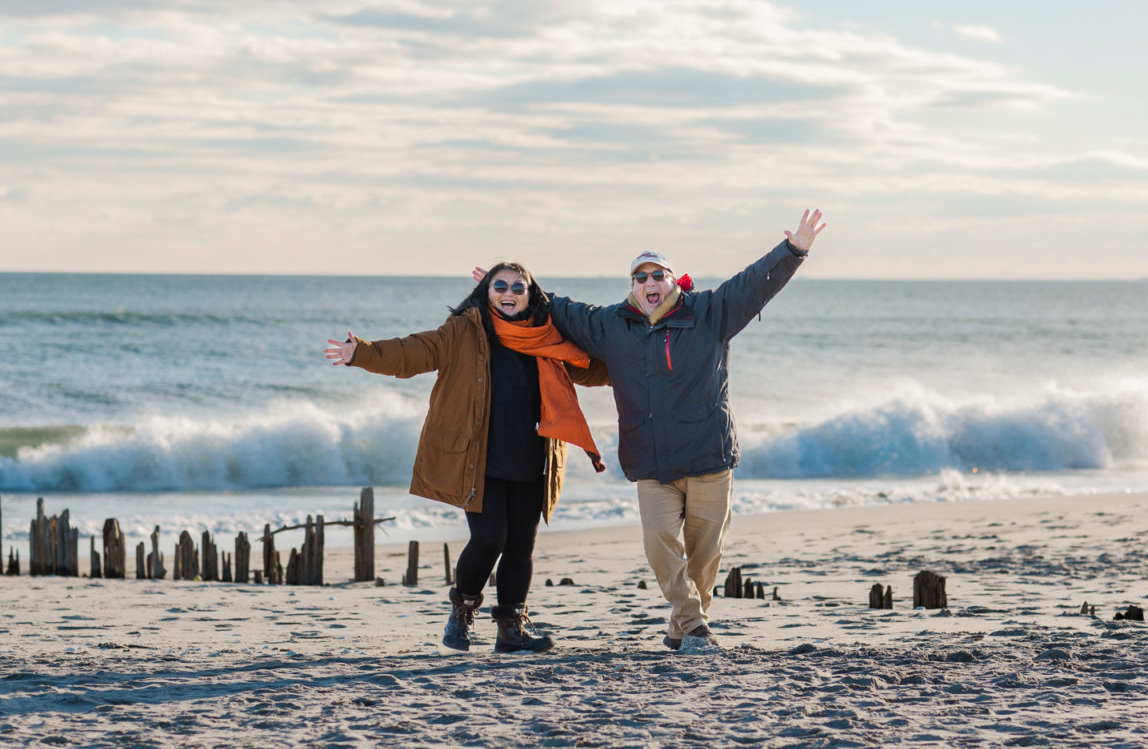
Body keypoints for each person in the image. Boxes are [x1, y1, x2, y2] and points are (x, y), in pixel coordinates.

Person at [536, 209, 826, 652]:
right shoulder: (612, 326)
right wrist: (514, 286)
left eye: (659, 275)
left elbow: (752, 283)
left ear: (674, 281)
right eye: (641, 277)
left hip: (709, 457)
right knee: (659, 543)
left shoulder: (710, 313)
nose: (650, 283)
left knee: (705, 558)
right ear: (632, 287)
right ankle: (695, 627)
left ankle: (684, 631)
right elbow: (561, 310)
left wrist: (793, 250)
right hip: (651, 463)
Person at [323, 263, 608, 653]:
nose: (509, 292)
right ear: (487, 292)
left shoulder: (547, 336)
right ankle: (463, 610)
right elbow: (415, 351)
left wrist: (641, 366)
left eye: (517, 287)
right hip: (480, 458)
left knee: (521, 545)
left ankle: (511, 629)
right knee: (490, 538)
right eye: (500, 285)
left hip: (531, 456)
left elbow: (591, 367)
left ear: (531, 293)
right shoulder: (464, 330)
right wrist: (364, 353)